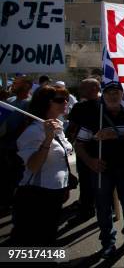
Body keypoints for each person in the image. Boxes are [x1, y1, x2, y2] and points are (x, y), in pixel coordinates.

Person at [74, 81, 124, 258]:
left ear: (121, 95)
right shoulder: (94, 116)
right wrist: (90, 162)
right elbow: (79, 144)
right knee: (103, 206)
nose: (113, 96)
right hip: (101, 168)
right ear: (103, 95)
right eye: (109, 92)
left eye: (116, 92)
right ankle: (108, 242)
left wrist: (117, 134)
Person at [11, 84, 72, 245]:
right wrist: (47, 139)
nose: (65, 102)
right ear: (46, 103)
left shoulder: (57, 126)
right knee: (32, 240)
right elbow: (33, 166)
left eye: (66, 98)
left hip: (54, 193)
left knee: (48, 236)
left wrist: (64, 186)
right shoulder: (34, 131)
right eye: (59, 100)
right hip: (36, 196)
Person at [65, 78, 101, 221]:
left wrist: (69, 139)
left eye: (82, 88)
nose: (79, 90)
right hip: (90, 150)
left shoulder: (80, 107)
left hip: (88, 150)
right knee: (93, 182)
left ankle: (87, 209)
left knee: (87, 182)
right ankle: (95, 206)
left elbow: (72, 128)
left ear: (93, 89)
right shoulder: (106, 105)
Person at [0, 76, 33, 210]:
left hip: (16, 147)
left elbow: (26, 124)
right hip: (4, 144)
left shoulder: (30, 103)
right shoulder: (10, 100)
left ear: (26, 86)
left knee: (15, 176)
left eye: (16, 83)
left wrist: (13, 137)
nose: (13, 85)